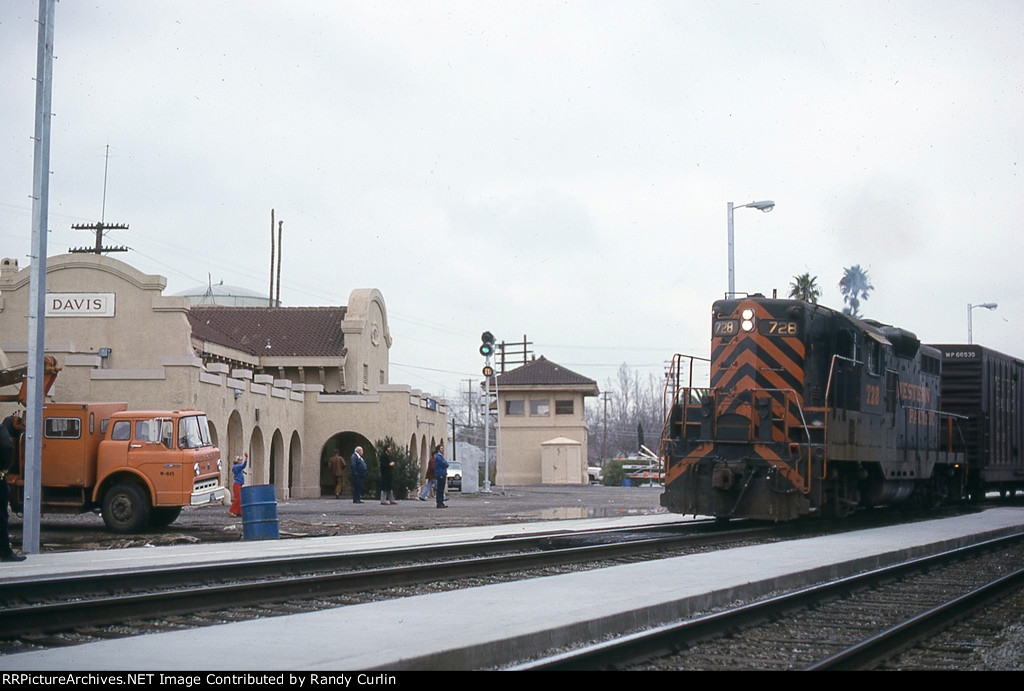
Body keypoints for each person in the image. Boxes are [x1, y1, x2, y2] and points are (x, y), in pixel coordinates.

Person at [0, 413, 26, 562]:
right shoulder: (2, 429)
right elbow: (7, 447)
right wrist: (4, 469)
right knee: (1, 517)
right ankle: (4, 552)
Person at [229, 453, 248, 517]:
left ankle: (239, 512)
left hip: (239, 484)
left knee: (240, 498)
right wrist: (246, 459)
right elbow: (243, 466)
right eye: (240, 460)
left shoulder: (238, 467)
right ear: (237, 461)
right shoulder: (237, 466)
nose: (241, 461)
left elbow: (241, 469)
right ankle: (232, 511)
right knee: (237, 498)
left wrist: (243, 472)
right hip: (237, 484)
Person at [433, 443, 449, 509]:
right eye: (441, 448)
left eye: (443, 448)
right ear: (438, 450)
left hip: (442, 473)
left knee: (441, 489)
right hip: (440, 474)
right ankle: (439, 503)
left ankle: (441, 502)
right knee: (440, 489)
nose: (443, 450)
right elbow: (445, 464)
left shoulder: (441, 456)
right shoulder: (439, 457)